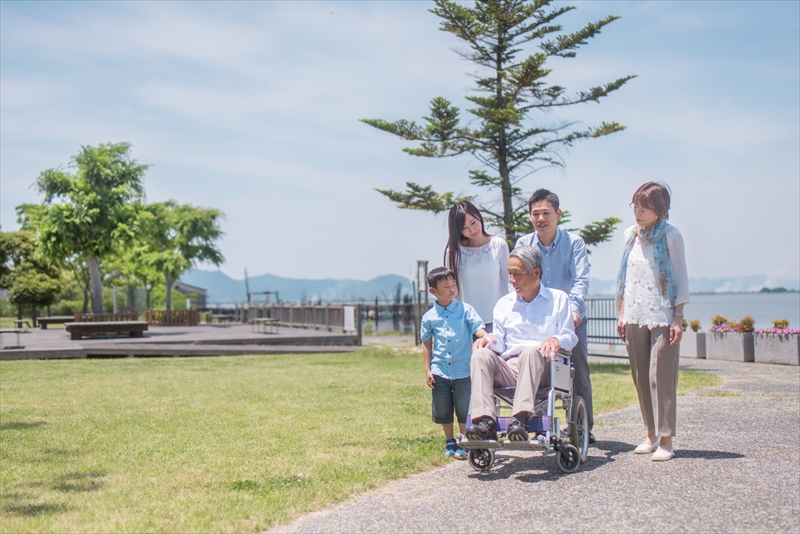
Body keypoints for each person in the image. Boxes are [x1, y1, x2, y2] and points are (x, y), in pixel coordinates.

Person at [466, 246, 578, 442]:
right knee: (480, 354)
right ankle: (485, 422)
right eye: (509, 274)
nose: (512, 280)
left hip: (545, 367)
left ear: (536, 273)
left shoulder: (558, 299)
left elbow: (570, 336)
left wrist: (556, 339)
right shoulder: (504, 304)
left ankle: (520, 420)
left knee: (529, 352)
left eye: (517, 274)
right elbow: (499, 341)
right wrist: (488, 340)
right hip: (511, 368)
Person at [616, 182, 689, 462]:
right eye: (635, 205)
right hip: (633, 313)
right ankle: (650, 433)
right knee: (640, 376)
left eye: (644, 208)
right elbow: (626, 279)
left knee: (661, 377)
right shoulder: (629, 235)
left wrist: (678, 318)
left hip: (663, 314)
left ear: (659, 210)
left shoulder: (671, 236)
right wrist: (621, 314)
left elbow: (680, 278)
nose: (638, 212)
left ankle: (666, 439)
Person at [515, 189, 595, 443]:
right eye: (535, 214)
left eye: (546, 213)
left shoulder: (574, 243)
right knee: (534, 367)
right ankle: (538, 424)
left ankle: (583, 427)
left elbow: (580, 279)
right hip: (536, 319)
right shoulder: (523, 245)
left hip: (570, 319)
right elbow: (514, 281)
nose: (541, 219)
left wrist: (572, 310)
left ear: (558, 214)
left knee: (578, 370)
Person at [421, 267, 494, 459]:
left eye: (454, 285)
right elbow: (427, 344)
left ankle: (464, 441)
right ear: (433, 291)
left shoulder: (465, 310)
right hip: (440, 370)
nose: (452, 289)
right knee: (444, 408)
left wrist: (485, 336)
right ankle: (449, 441)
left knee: (464, 407)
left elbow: (477, 327)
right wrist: (428, 370)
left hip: (464, 369)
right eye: (446, 286)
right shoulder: (429, 317)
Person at [445, 201, 510, 332]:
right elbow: (450, 289)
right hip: (467, 322)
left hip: (498, 320)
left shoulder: (499, 245)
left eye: (473, 223)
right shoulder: (454, 252)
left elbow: (508, 282)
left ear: (479, 217)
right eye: (464, 228)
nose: (472, 230)